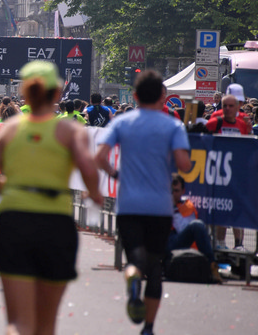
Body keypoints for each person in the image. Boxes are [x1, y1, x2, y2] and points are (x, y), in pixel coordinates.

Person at [0, 61, 103, 335]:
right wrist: (93, 194)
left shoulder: (9, 130)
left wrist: (17, 187)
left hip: (14, 222)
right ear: (57, 92)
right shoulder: (71, 131)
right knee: (46, 326)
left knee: (18, 323)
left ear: (24, 92)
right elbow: (90, 173)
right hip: (56, 224)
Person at [94, 69, 192, 335]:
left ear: (134, 96)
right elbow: (184, 164)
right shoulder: (173, 125)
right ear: (163, 96)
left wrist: (117, 174)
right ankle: (148, 327)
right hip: (160, 206)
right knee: (155, 266)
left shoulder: (122, 123)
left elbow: (100, 157)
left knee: (134, 259)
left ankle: (132, 276)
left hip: (129, 204)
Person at [205, 92, 251, 251]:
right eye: (225, 106)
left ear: (238, 107)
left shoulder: (242, 123)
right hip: (217, 174)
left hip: (237, 175)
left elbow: (248, 146)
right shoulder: (213, 123)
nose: (227, 109)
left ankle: (239, 244)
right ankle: (219, 242)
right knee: (220, 209)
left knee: (237, 208)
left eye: (231, 106)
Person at [167, 174, 222, 283]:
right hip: (161, 240)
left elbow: (182, 229)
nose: (173, 194)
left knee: (197, 225)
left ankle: (212, 266)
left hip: (177, 242)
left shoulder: (187, 206)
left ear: (183, 191)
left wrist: (173, 207)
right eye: (171, 191)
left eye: (176, 191)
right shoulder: (161, 202)